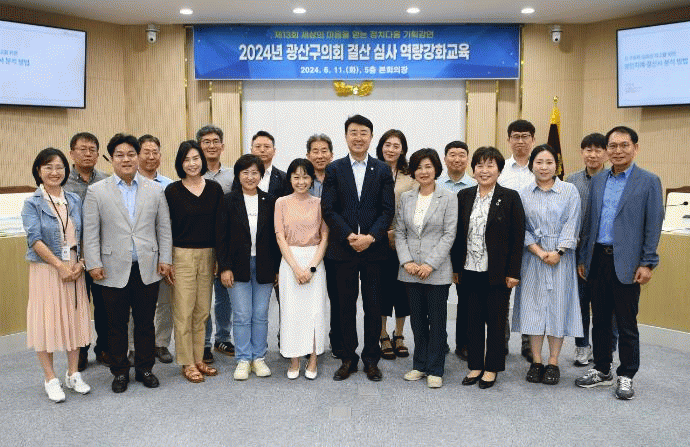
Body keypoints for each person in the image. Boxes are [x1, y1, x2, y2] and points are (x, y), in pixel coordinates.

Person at [575, 126, 664, 400]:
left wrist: (648, 262)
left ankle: (627, 374)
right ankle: (602, 369)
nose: (617, 151)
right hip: (598, 259)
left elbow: (653, 225)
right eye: (612, 146)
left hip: (628, 263)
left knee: (626, 323)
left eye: (624, 145)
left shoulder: (648, 181)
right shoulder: (599, 180)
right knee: (600, 320)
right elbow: (590, 222)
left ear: (635, 148)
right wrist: (584, 257)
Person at [83, 133, 173, 393]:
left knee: (145, 322)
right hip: (111, 268)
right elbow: (91, 232)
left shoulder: (155, 189)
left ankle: (145, 368)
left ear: (138, 157)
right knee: (116, 325)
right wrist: (93, 263)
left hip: (147, 267)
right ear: (111, 159)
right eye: (120, 155)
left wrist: (165, 259)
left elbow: (163, 228)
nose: (126, 159)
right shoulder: (97, 191)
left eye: (131, 154)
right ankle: (120, 371)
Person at [321, 114, 395, 382]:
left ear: (371, 137)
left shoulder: (382, 169)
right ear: (346, 136)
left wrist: (371, 237)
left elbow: (387, 210)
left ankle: (371, 359)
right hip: (343, 250)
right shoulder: (334, 169)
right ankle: (347, 358)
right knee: (345, 306)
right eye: (353, 132)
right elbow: (328, 209)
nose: (358, 137)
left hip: (375, 251)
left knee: (374, 307)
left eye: (364, 133)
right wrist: (350, 235)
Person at [451, 147, 525, 389]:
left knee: (495, 321)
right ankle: (475, 365)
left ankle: (492, 367)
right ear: (473, 170)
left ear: (499, 170)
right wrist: (455, 267)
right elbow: (457, 235)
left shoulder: (510, 197)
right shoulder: (464, 196)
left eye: (490, 165)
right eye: (480, 165)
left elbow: (517, 237)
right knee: (471, 320)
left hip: (498, 272)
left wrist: (513, 272)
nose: (484, 170)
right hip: (469, 269)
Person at [22, 148, 92, 402]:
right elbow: (35, 240)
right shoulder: (32, 203)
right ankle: (50, 378)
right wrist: (60, 267)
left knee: (74, 319)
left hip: (74, 267)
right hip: (47, 269)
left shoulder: (73, 199)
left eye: (59, 167)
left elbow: (83, 235)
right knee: (47, 321)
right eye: (48, 167)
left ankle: (73, 373)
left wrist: (81, 263)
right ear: (38, 171)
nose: (55, 172)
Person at [512, 144, 582, 386]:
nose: (544, 167)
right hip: (533, 257)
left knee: (557, 308)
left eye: (549, 162)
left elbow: (573, 223)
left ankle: (553, 361)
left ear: (557, 165)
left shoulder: (569, 190)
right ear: (531, 165)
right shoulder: (523, 193)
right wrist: (540, 252)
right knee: (533, 309)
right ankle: (536, 361)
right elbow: (521, 228)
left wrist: (559, 251)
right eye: (539, 162)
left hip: (562, 259)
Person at [396, 148, 457, 388]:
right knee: (417, 321)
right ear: (413, 171)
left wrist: (430, 264)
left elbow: (449, 234)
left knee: (438, 321)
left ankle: (435, 368)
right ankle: (419, 365)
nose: (423, 171)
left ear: (436, 169)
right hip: (410, 271)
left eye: (428, 167)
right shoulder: (406, 198)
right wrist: (407, 261)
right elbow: (400, 232)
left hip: (437, 271)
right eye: (419, 167)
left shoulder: (448, 197)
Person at [217, 154, 280, 381]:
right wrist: (224, 267)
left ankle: (259, 358)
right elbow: (221, 237)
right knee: (242, 315)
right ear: (238, 175)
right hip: (236, 266)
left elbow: (276, 238)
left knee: (260, 315)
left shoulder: (270, 201)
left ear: (261, 175)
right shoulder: (227, 200)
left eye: (255, 173)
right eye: (245, 172)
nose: (250, 177)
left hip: (265, 265)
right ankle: (243, 359)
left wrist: (277, 268)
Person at [165, 141, 224, 383]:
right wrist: (167, 260)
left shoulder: (214, 189)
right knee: (184, 311)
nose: (192, 163)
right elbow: (165, 228)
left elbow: (220, 226)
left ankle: (199, 358)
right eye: (187, 159)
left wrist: (219, 258)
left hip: (208, 255)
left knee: (202, 311)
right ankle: (186, 362)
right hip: (182, 256)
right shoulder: (172, 191)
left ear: (202, 160)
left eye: (196, 158)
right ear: (180, 163)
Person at [275, 159, 329, 379]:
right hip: (290, 261)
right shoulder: (281, 202)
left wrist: (311, 268)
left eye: (305, 177)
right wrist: (296, 269)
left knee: (315, 311)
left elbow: (325, 236)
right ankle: (294, 358)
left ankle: (313, 358)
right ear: (290, 179)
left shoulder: (319, 203)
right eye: (296, 177)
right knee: (291, 311)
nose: (301, 181)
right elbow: (280, 236)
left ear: (312, 179)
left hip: (315, 259)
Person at [125, 134, 174, 365]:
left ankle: (161, 343)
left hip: (163, 252)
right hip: (136, 254)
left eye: (155, 152)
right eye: (146, 152)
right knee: (135, 305)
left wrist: (168, 256)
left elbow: (169, 223)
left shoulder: (169, 185)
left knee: (165, 302)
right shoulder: (128, 184)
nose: (151, 157)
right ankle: (134, 347)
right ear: (137, 155)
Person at [64, 132, 109, 371]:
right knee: (78, 307)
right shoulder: (63, 182)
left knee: (104, 306)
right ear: (72, 153)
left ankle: (104, 349)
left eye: (92, 149)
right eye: (82, 149)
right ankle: (80, 351)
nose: (88, 153)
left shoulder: (106, 180)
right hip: (74, 257)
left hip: (102, 255)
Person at [565, 133, 608, 366]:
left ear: (606, 154)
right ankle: (582, 346)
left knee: (604, 305)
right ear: (582, 153)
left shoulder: (612, 179)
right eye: (588, 150)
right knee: (580, 302)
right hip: (578, 252)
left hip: (603, 251)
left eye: (598, 150)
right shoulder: (571, 180)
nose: (593, 154)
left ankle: (606, 348)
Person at [497, 119, 537, 362]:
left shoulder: (541, 166)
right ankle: (500, 342)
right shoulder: (501, 169)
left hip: (536, 242)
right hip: (505, 240)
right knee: (502, 293)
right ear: (509, 139)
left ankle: (528, 343)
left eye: (525, 136)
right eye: (516, 136)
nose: (520, 141)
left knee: (530, 295)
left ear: (533, 139)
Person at [375, 129, 417, 360]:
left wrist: (397, 233)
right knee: (381, 289)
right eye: (387, 145)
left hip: (404, 240)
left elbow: (414, 208)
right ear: (381, 146)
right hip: (378, 240)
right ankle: (382, 334)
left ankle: (399, 334)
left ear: (403, 150)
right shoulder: (372, 170)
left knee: (403, 290)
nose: (391, 149)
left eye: (396, 146)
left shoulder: (410, 176)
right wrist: (383, 232)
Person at [436, 140, 477, 361]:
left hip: (465, 251)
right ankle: (439, 341)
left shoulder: (475, 185)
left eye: (462, 155)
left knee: (466, 300)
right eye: (452, 154)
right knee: (437, 299)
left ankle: (464, 343)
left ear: (467, 159)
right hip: (438, 250)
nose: (457, 159)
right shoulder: (435, 184)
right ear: (445, 159)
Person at [197, 125, 235, 364]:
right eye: (206, 142)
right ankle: (204, 343)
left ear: (222, 146)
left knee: (224, 297)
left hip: (226, 246)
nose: (211, 146)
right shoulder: (193, 174)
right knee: (202, 298)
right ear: (199, 146)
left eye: (215, 141)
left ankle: (223, 338)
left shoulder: (232, 176)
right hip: (199, 246)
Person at [251, 130, 288, 197]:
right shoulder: (242, 176)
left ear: (274, 151)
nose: (262, 150)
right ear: (251, 151)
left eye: (267, 146)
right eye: (258, 146)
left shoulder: (284, 178)